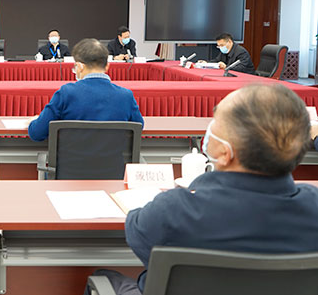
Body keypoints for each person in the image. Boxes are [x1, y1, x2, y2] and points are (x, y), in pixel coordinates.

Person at [85, 83, 318, 295]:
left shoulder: (175, 210)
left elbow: (136, 229)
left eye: (215, 122)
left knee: (105, 278)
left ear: (226, 153)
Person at [28, 38, 144, 141]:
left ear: (79, 66)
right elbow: (139, 127)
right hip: (114, 159)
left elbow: (37, 133)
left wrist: (35, 121)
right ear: (107, 66)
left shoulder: (66, 93)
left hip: (71, 159)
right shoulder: (126, 96)